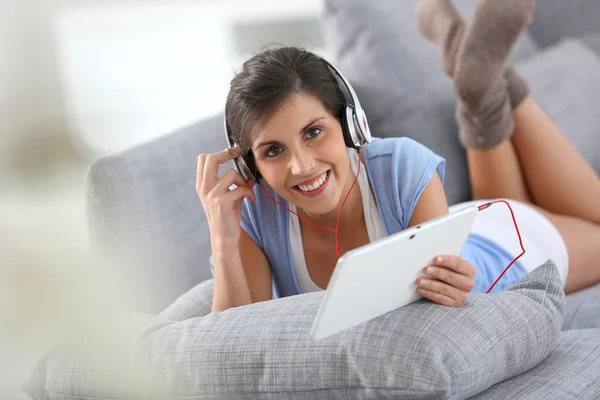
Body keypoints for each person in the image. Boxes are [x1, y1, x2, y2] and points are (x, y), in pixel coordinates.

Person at [197, 0, 600, 313]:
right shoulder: (254, 212)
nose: (300, 166)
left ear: (350, 123)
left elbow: (438, 318)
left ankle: (487, 79)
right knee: (514, 197)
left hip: (510, 251)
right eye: (272, 151)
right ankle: (481, 80)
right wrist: (223, 240)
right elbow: (233, 348)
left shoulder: (401, 167)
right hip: (474, 218)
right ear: (250, 165)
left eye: (314, 132)